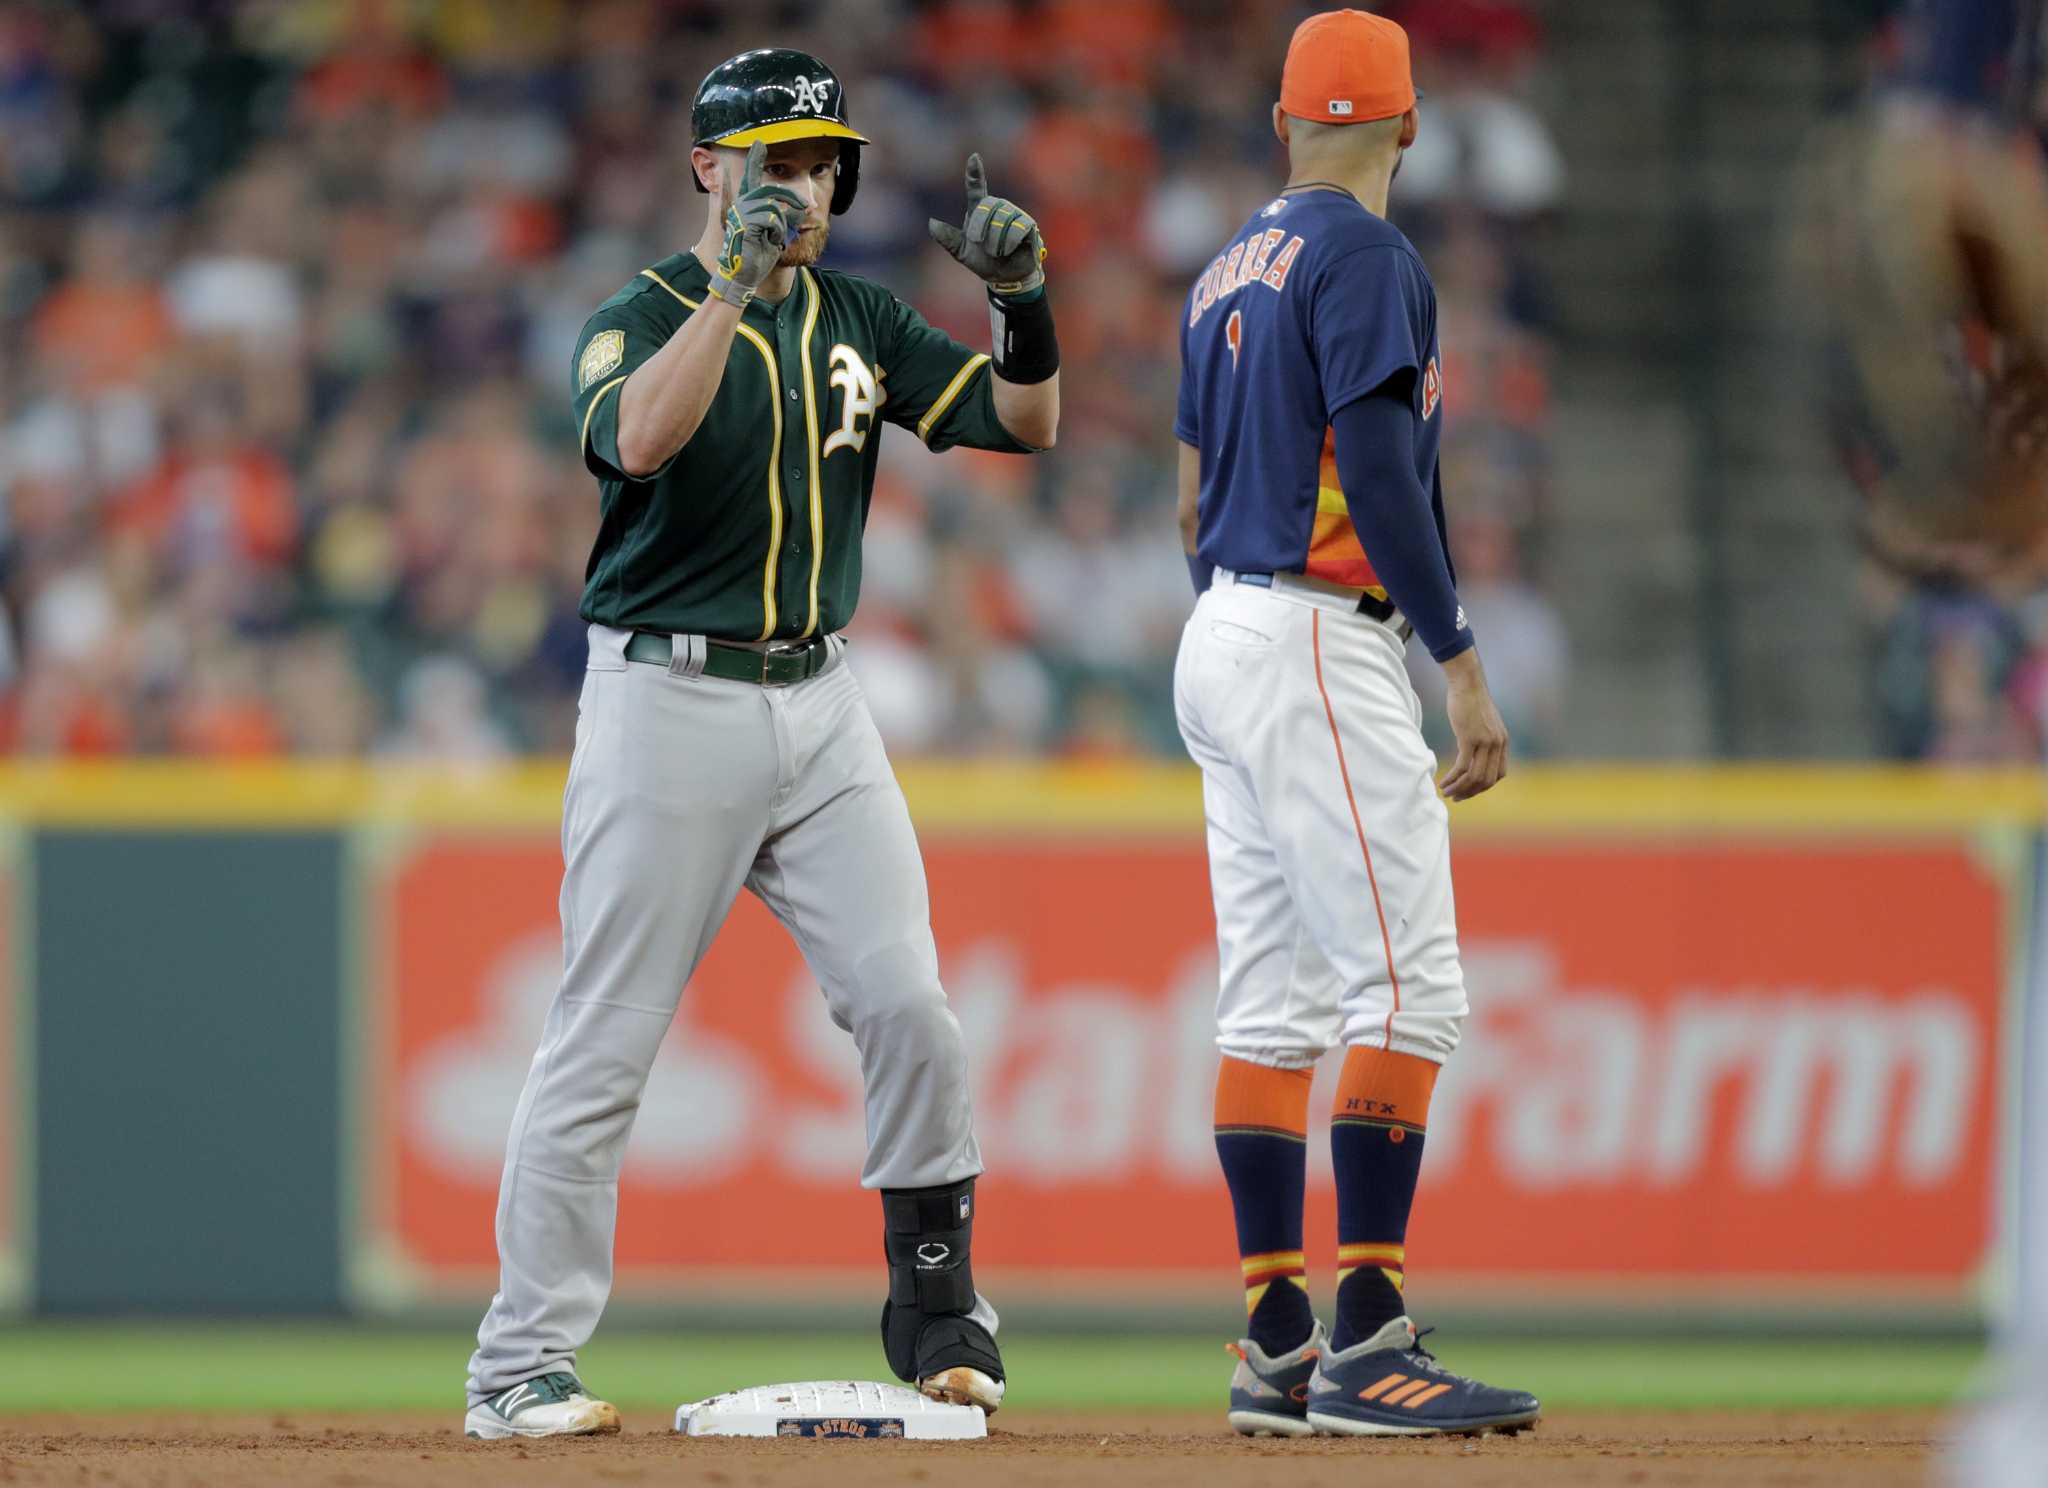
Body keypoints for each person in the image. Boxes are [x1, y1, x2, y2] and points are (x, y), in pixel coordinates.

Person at [460, 46, 1059, 1439]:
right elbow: (644, 442)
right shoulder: (639, 312)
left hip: (823, 694)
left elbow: (1023, 419)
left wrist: (1023, 300)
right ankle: (517, 1369)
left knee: (910, 1003)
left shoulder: (861, 314)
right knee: (604, 1039)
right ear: (705, 168)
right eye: (771, 158)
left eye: (817, 160)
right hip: (667, 696)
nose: (798, 182)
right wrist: (731, 282)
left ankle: (940, 1315)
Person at [1171, 10, 1537, 1438]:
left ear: (1282, 123)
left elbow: (1194, 492)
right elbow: (1381, 469)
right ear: (1411, 124)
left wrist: (1229, 629)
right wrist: (1459, 657)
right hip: (1321, 631)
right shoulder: (1371, 255)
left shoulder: (1218, 271)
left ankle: (1274, 1332)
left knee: (1272, 1002)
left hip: (1223, 625)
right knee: (1409, 987)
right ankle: (1369, 1335)